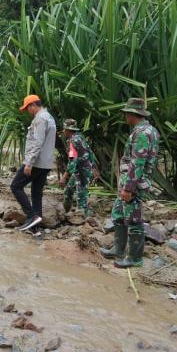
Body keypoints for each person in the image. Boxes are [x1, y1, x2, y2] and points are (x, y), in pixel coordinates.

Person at [101, 98, 159, 268]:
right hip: (130, 183)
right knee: (118, 215)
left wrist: (128, 188)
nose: (125, 116)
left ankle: (135, 258)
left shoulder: (142, 133)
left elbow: (138, 162)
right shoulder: (148, 130)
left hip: (134, 184)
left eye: (127, 113)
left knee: (134, 220)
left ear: (132, 114)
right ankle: (118, 249)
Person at [12, 94, 57, 234]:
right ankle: (35, 229)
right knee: (36, 193)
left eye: (27, 108)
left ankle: (32, 216)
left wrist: (29, 163)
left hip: (36, 162)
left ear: (33, 105)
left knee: (15, 186)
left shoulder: (40, 119)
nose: (27, 112)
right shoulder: (49, 117)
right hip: (46, 163)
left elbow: (37, 142)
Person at [59, 119, 98, 216]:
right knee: (68, 191)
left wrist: (64, 177)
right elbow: (90, 153)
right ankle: (65, 213)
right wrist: (94, 168)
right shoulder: (80, 137)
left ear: (68, 130)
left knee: (81, 197)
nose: (63, 132)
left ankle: (85, 219)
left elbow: (73, 161)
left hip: (81, 172)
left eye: (64, 130)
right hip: (82, 170)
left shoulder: (74, 141)